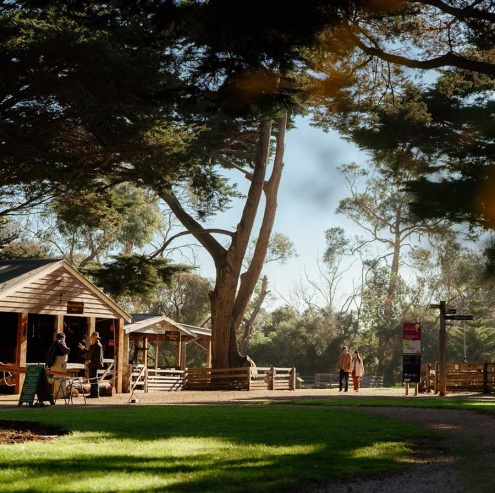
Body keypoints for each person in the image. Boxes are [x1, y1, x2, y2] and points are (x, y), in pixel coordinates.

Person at [78, 331, 104, 398]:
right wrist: (83, 349)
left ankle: (95, 393)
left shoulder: (98, 345)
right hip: (92, 364)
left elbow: (98, 356)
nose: (91, 338)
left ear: (95, 337)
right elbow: (89, 352)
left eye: (92, 337)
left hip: (94, 364)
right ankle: (93, 393)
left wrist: (90, 360)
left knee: (94, 379)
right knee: (92, 379)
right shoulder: (93, 345)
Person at [46, 332, 70, 398]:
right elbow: (67, 351)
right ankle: (61, 395)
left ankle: (56, 394)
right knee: (62, 378)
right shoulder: (61, 342)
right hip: (60, 364)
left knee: (56, 379)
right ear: (63, 338)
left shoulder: (54, 343)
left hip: (54, 364)